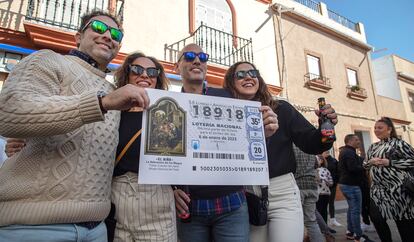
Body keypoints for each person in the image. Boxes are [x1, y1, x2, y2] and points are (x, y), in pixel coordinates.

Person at [0, 10, 151, 241]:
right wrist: (101, 103)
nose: (108, 36)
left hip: (97, 228)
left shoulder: (114, 92)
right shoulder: (47, 59)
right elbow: (8, 113)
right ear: (78, 37)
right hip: (34, 227)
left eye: (116, 34)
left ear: (118, 48)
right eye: (99, 28)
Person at [172, 44, 278, 242]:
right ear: (176, 66)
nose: (197, 60)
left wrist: (265, 133)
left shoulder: (229, 97)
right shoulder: (169, 103)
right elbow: (162, 154)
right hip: (189, 207)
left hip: (232, 204)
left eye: (203, 57)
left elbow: (249, 144)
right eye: (189, 56)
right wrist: (172, 189)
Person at [223, 61, 337, 242]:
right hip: (244, 195)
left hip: (282, 190)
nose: (248, 77)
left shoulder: (281, 109)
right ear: (231, 81)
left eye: (253, 73)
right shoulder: (225, 114)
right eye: (240, 74)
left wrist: (326, 131)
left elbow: (311, 143)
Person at [364, 117, 414, 242]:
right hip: (378, 190)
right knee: (376, 218)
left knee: (403, 223)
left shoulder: (399, 143)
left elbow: (412, 161)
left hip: (399, 189)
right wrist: (370, 162)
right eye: (375, 128)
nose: (376, 130)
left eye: (380, 128)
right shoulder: (373, 147)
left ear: (389, 129)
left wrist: (390, 162)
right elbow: (364, 165)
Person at [338, 134, 367, 242]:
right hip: (351, 185)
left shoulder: (346, 151)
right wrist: (366, 166)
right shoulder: (349, 152)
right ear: (350, 141)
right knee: (355, 211)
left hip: (346, 184)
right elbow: (353, 168)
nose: (359, 141)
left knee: (351, 209)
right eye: (356, 140)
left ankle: (350, 232)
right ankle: (358, 236)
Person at [293, 145, 324, 242]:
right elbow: (316, 165)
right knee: (311, 221)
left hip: (298, 186)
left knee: (295, 221)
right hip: (312, 186)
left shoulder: (291, 147)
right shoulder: (311, 149)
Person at [323, 151, 342, 227]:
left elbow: (338, 171)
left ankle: (333, 219)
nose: (326, 152)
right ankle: (324, 222)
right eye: (325, 151)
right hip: (322, 186)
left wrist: (336, 181)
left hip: (332, 185)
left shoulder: (333, 160)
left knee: (331, 202)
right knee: (323, 204)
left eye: (328, 150)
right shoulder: (319, 160)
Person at [316, 155, 333, 224]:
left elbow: (331, 183)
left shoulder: (326, 170)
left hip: (326, 193)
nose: (317, 161)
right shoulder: (313, 170)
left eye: (319, 160)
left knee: (324, 211)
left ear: (322, 161)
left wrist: (327, 182)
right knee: (318, 211)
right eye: (316, 160)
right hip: (318, 194)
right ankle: (320, 227)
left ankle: (325, 227)